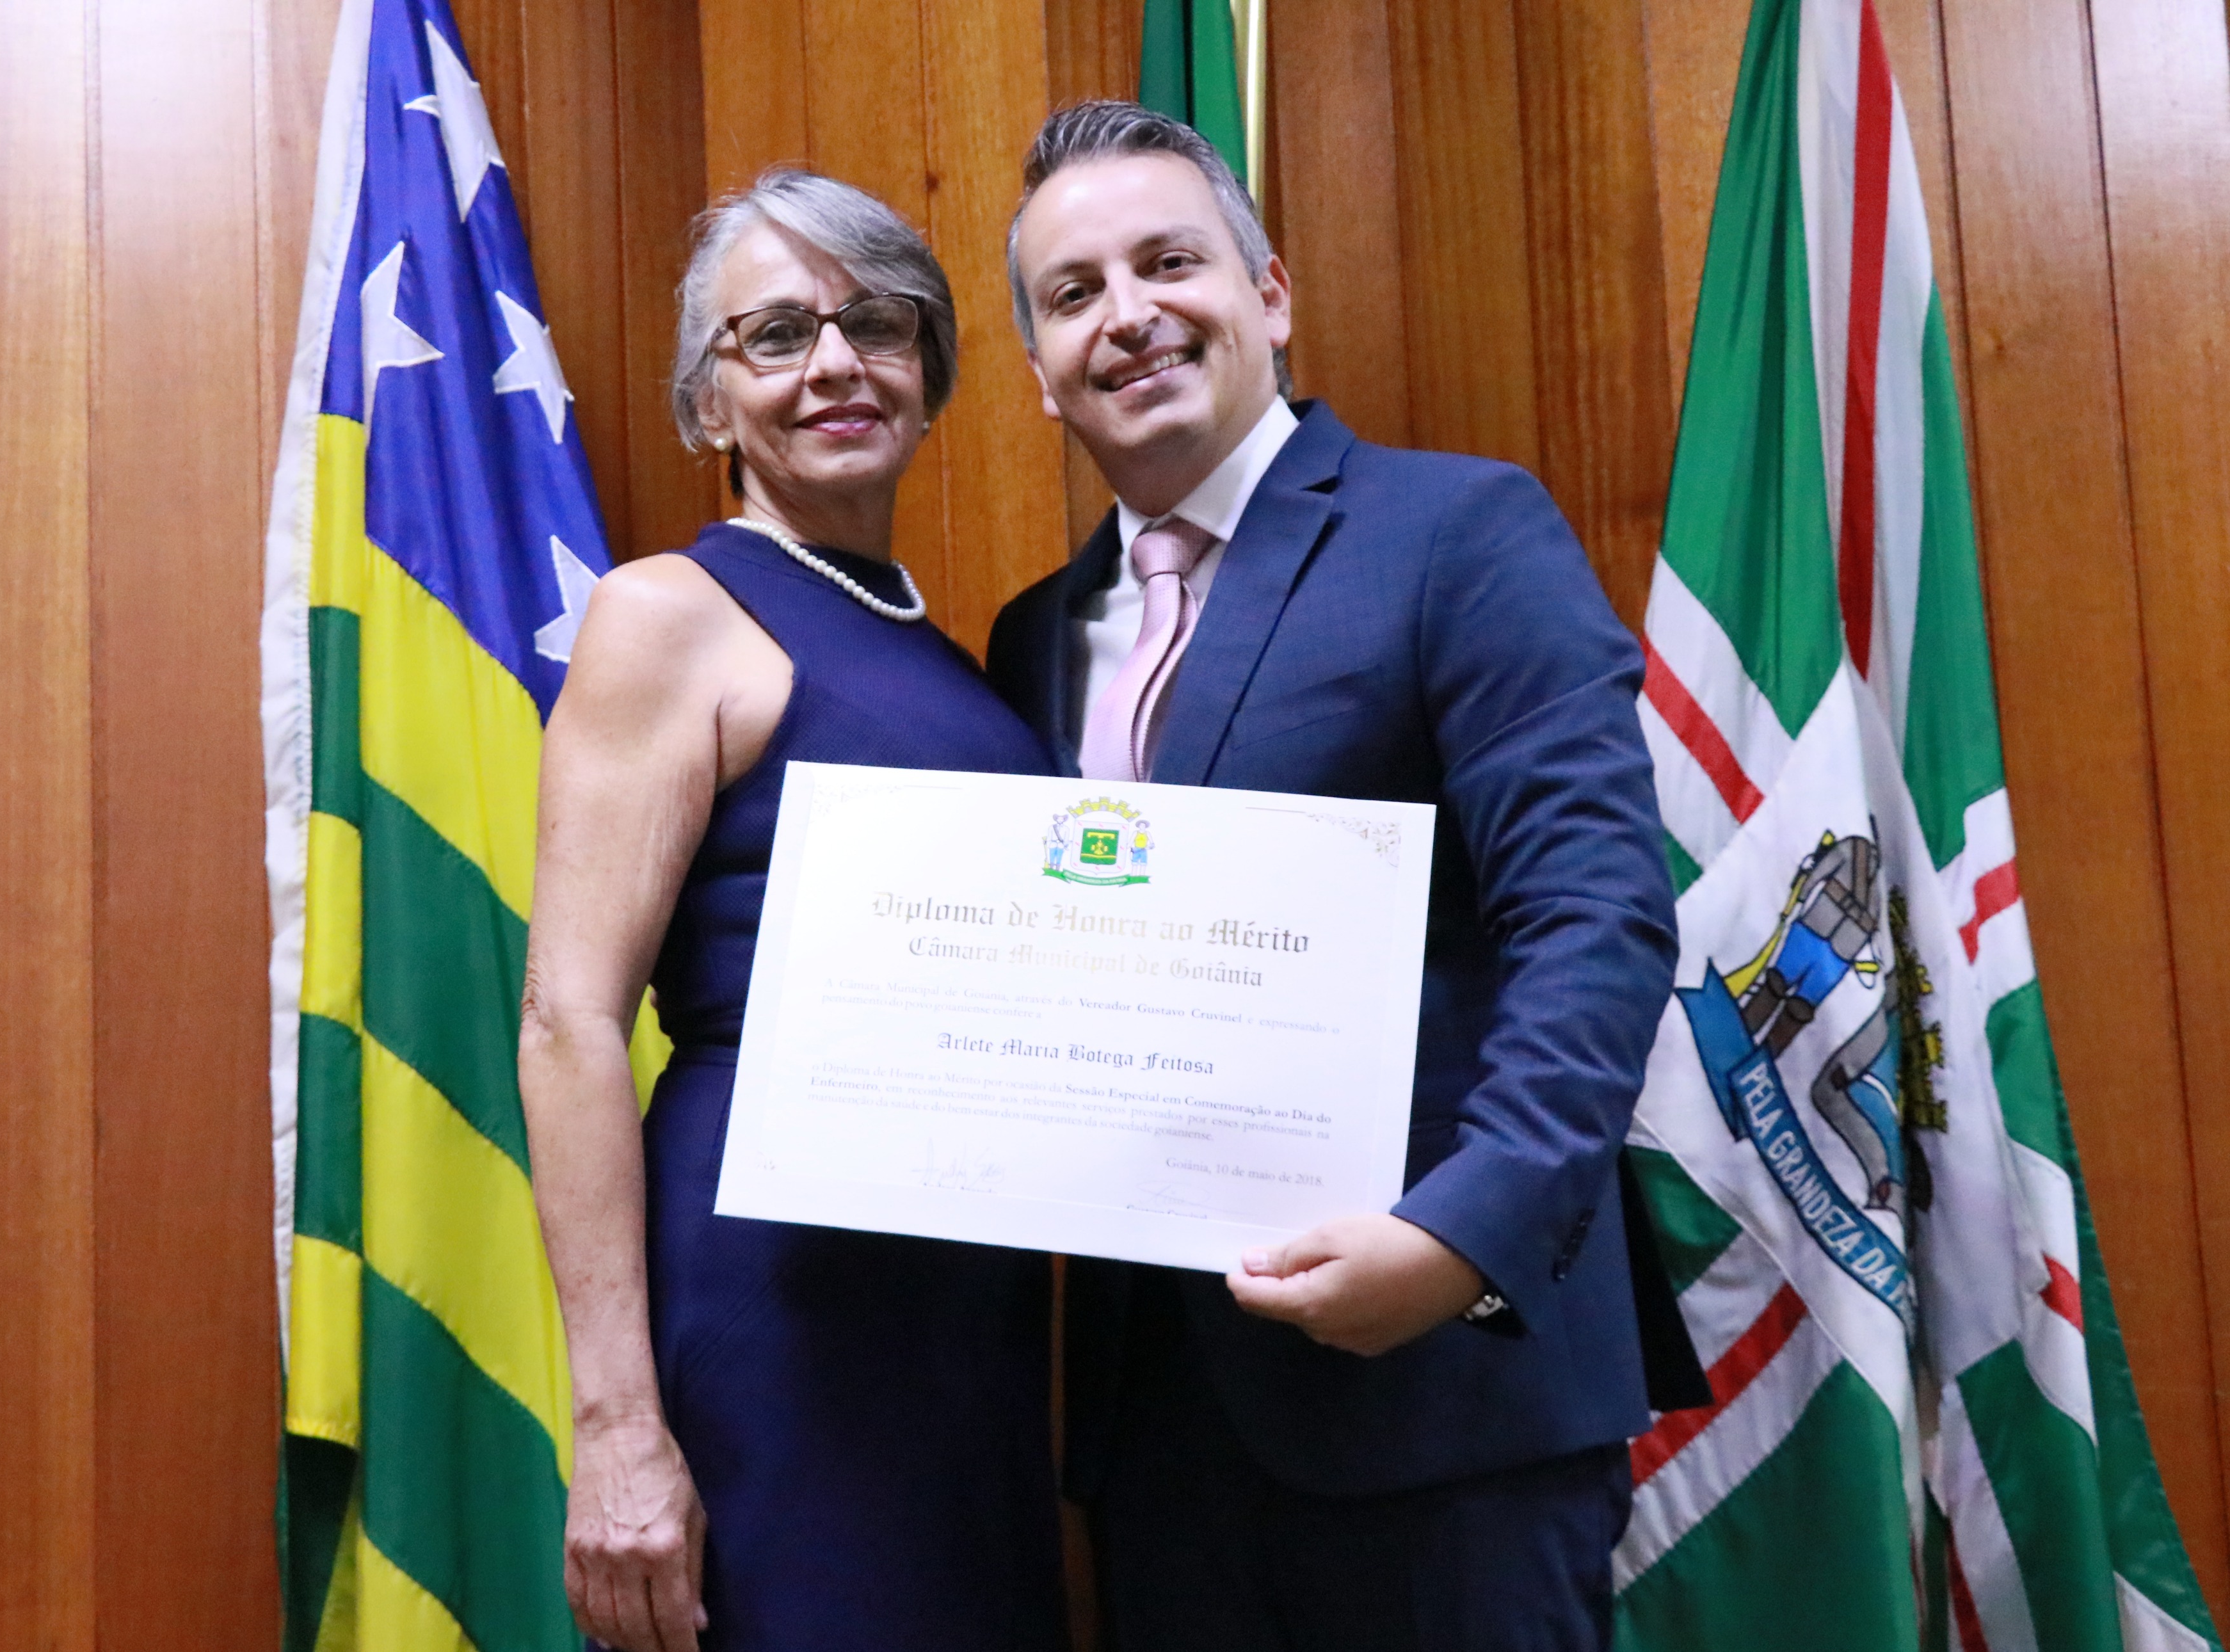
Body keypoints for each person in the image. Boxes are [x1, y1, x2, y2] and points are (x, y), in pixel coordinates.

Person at [988, 102, 1686, 1650]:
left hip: (1445, 1396)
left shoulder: (1458, 530)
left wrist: (1461, 1237)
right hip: (1161, 1432)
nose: (1128, 314)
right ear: (1039, 371)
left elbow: (1595, 913)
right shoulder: (1031, 636)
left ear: (1272, 293)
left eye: (1169, 262)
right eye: (1074, 293)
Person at [518, 168, 1068, 1652]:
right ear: (709, 402)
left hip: (962, 1305)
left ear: (928, 372)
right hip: (773, 1294)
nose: (834, 362)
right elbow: (569, 1020)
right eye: (775, 334)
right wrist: (616, 1425)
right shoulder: (665, 615)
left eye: (874, 323)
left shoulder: (960, 660)